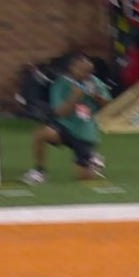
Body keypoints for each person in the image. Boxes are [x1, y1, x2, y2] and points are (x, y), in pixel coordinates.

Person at [21, 54, 112, 184]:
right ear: (73, 69)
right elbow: (59, 113)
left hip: (85, 132)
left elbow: (107, 105)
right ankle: (40, 171)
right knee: (41, 134)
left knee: (84, 178)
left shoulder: (95, 82)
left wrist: (96, 96)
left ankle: (92, 159)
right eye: (84, 71)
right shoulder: (61, 84)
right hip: (64, 127)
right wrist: (74, 97)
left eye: (90, 71)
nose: (88, 75)